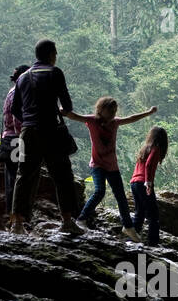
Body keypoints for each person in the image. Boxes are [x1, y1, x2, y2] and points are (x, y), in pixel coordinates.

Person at [9, 40, 82, 236]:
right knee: (63, 176)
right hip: (52, 130)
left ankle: (17, 224)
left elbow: (15, 109)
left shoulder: (22, 77)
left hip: (28, 132)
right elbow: (67, 106)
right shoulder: (55, 72)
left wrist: (30, 119)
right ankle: (67, 221)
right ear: (51, 54)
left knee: (23, 176)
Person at [66, 96, 157, 240]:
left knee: (121, 197)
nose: (113, 113)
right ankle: (81, 219)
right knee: (99, 191)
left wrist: (148, 113)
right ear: (101, 110)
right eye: (110, 111)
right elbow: (74, 116)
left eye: (115, 111)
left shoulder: (115, 123)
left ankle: (128, 227)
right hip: (97, 165)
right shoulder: (92, 121)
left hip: (112, 166)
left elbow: (132, 118)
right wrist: (60, 110)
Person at [0, 64, 29, 214]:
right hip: (17, 140)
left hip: (8, 138)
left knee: (11, 179)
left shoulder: (12, 92)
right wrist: (23, 137)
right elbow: (18, 120)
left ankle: (11, 214)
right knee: (17, 180)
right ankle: (16, 215)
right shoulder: (20, 92)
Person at [131, 126, 168, 246]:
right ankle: (153, 242)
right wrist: (148, 183)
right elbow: (148, 165)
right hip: (143, 182)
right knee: (153, 214)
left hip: (134, 182)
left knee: (140, 212)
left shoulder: (145, 148)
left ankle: (133, 236)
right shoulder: (156, 148)